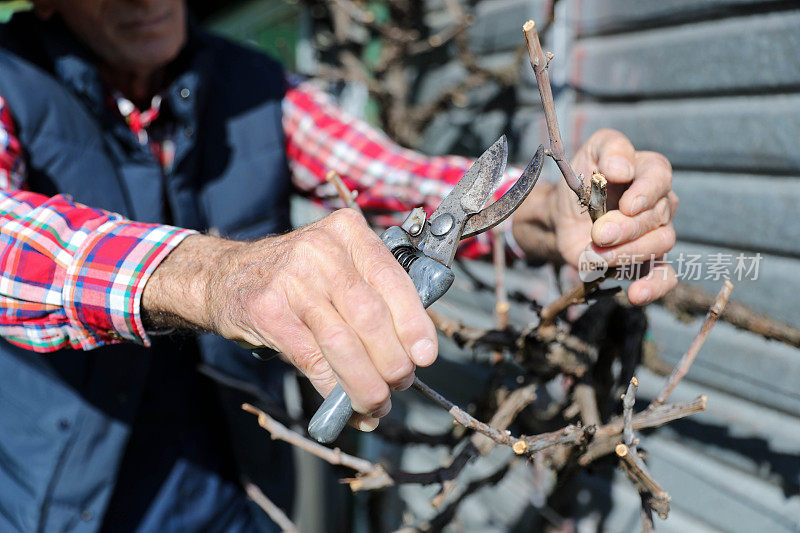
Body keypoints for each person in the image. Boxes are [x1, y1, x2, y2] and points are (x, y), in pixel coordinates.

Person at [0, 0, 679, 530]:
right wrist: (211, 275)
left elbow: (402, 181)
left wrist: (553, 209)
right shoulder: (10, 78)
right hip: (48, 500)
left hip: (236, 489)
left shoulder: (253, 87)